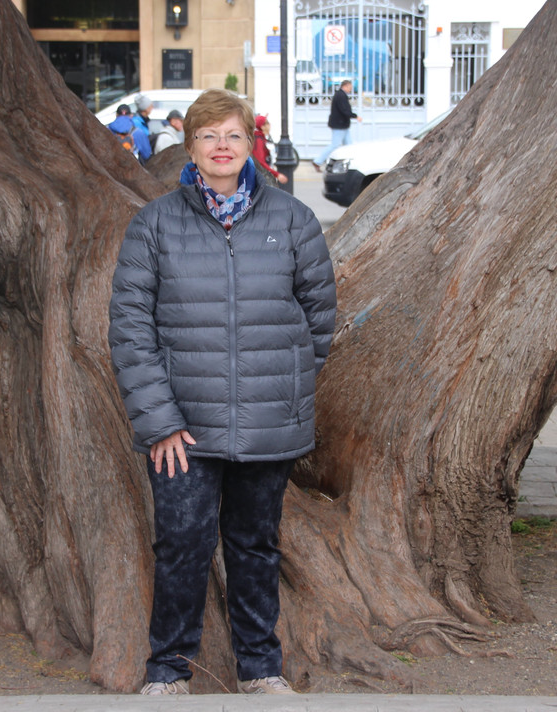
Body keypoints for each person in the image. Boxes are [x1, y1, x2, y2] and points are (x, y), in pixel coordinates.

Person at [109, 89, 336, 697]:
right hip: (183, 427)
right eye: (209, 137)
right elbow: (130, 330)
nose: (222, 148)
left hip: (267, 423)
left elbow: (319, 320)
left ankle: (261, 668)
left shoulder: (293, 220)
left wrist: (284, 391)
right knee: (181, 544)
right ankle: (168, 671)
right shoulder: (154, 225)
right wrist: (159, 421)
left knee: (255, 547)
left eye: (233, 136)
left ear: (249, 145)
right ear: (191, 148)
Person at [311, 79, 360, 170]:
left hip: (342, 125)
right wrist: (355, 116)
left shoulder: (341, 95)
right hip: (339, 125)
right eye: (349, 87)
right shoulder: (341, 96)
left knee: (349, 145)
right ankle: (317, 161)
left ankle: (350, 164)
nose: (350, 89)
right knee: (335, 145)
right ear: (345, 86)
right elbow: (344, 110)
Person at [251, 114, 289, 184]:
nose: (270, 125)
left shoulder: (261, 138)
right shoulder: (258, 140)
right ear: (262, 127)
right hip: (261, 177)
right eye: (268, 123)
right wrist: (277, 174)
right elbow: (260, 162)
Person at [131, 93, 155, 164]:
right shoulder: (137, 122)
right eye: (150, 105)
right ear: (145, 108)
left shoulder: (143, 121)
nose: (152, 107)